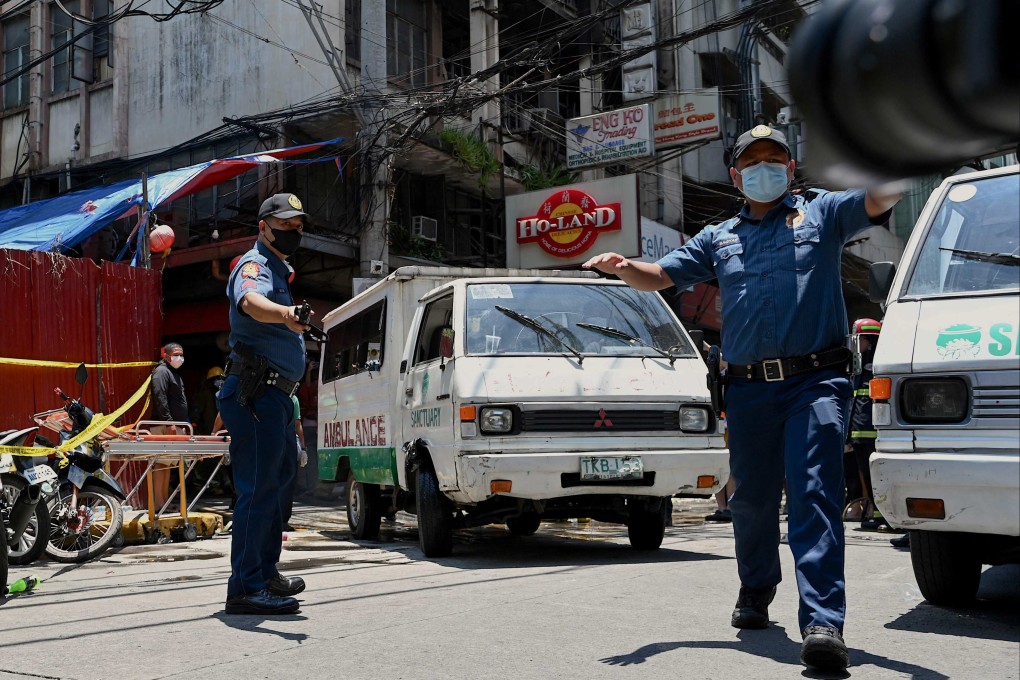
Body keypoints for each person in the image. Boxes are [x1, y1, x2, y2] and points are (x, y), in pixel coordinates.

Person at [583, 125, 901, 672]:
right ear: (736, 175)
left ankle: (823, 621)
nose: (764, 168)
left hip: (815, 381)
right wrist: (622, 267)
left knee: (813, 494)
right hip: (749, 389)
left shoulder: (822, 214)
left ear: (791, 168)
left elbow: (877, 198)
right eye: (752, 161)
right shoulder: (717, 237)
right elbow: (658, 274)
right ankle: (755, 588)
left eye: (774, 158)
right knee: (750, 501)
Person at [217, 192, 312, 616]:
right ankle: (245, 587)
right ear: (264, 226)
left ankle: (264, 572)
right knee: (257, 490)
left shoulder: (279, 269)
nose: (293, 232)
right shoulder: (252, 266)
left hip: (275, 397)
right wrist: (286, 316)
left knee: (276, 486)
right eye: (285, 225)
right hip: (255, 394)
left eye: (298, 226)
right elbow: (251, 304)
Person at [847, 318, 888, 531]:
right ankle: (876, 514)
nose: (855, 344)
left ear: (870, 341)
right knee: (866, 475)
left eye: (859, 339)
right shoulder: (858, 366)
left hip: (872, 433)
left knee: (877, 475)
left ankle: (884, 517)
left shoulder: (878, 366)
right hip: (859, 433)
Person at [150, 342, 188, 509]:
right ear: (165, 355)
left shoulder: (174, 373)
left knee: (168, 464)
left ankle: (164, 501)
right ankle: (158, 503)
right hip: (164, 426)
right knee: (160, 464)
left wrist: (183, 424)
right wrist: (168, 422)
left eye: (181, 354)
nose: (179, 358)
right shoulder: (162, 371)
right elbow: (159, 395)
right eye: (175, 355)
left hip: (175, 425)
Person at [280, 394, 308, 531]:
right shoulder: (293, 398)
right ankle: (282, 520)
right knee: (287, 482)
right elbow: (297, 424)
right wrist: (303, 448)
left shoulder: (265, 394)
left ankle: (270, 519)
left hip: (270, 443)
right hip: (287, 442)